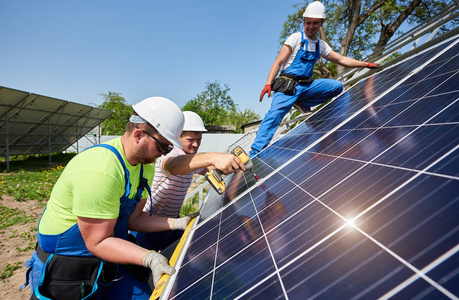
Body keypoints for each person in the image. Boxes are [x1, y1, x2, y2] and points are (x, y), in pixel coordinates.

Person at [23, 97, 245, 300]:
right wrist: (150, 258)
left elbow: (134, 220)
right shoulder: (101, 169)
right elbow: (97, 241)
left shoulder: (142, 167)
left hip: (108, 260)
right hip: (67, 269)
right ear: (139, 134)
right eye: (163, 146)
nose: (165, 153)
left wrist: (178, 222)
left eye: (169, 147)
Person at [249, 1, 380, 157]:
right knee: (274, 115)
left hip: (306, 87)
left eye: (315, 23)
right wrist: (268, 84)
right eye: (308, 23)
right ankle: (255, 151)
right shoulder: (296, 38)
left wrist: (365, 64)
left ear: (321, 23)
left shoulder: (320, 45)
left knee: (336, 86)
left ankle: (303, 103)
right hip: (288, 87)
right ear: (303, 22)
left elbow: (341, 59)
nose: (311, 26)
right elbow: (278, 62)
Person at [132, 111, 210, 251]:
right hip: (147, 224)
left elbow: (205, 168)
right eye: (191, 139)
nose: (196, 144)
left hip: (171, 222)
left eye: (199, 139)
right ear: (177, 137)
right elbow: (172, 164)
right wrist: (212, 157)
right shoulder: (170, 154)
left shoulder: (189, 159)